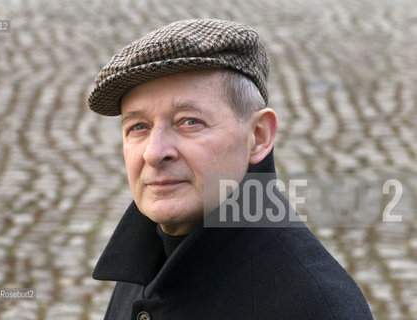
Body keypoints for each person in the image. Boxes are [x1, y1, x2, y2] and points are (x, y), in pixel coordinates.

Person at [88, 19, 373, 320]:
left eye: (189, 122)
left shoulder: (318, 307)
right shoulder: (146, 259)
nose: (155, 152)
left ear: (259, 136)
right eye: (139, 127)